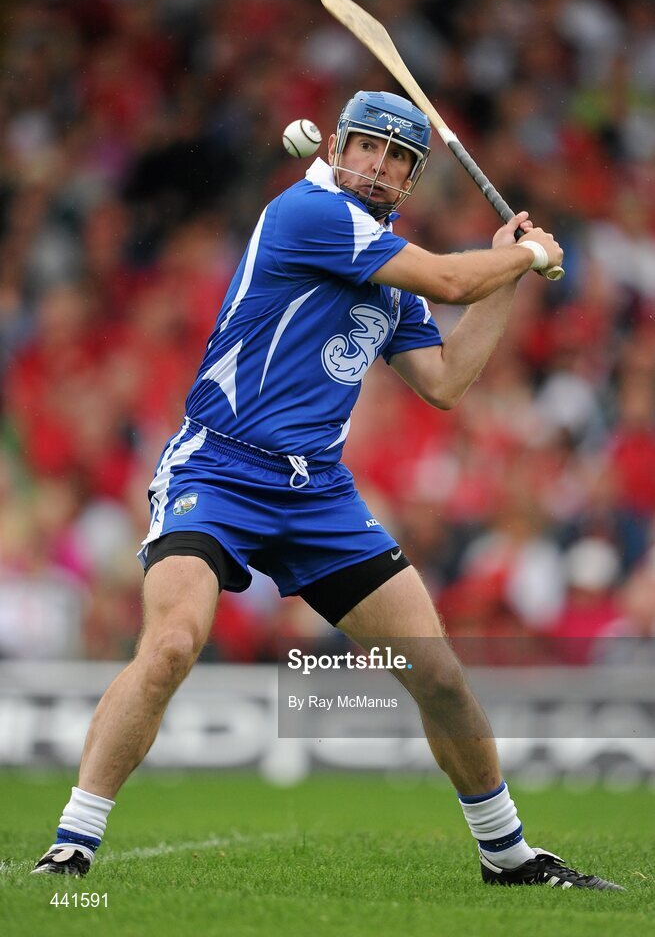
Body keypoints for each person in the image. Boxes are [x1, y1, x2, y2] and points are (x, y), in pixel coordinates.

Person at [32, 91, 621, 890]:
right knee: (173, 641)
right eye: (365, 147)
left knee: (437, 671)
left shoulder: (386, 270)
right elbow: (452, 279)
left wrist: (507, 276)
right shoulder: (308, 212)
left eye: (396, 157)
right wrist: (517, 257)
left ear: (411, 175)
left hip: (317, 494)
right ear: (337, 146)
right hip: (219, 468)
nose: (376, 165)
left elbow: (445, 380)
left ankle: (505, 852)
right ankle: (73, 842)